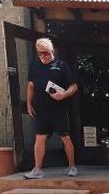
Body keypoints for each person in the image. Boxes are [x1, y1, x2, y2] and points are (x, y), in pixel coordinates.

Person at [24, 38, 79, 178]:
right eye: (40, 53)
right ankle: (37, 169)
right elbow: (31, 85)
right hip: (41, 110)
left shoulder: (61, 65)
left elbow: (74, 86)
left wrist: (64, 94)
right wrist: (29, 104)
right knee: (39, 138)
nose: (43, 56)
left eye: (45, 53)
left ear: (52, 51)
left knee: (65, 137)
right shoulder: (34, 64)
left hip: (58, 109)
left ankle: (72, 166)